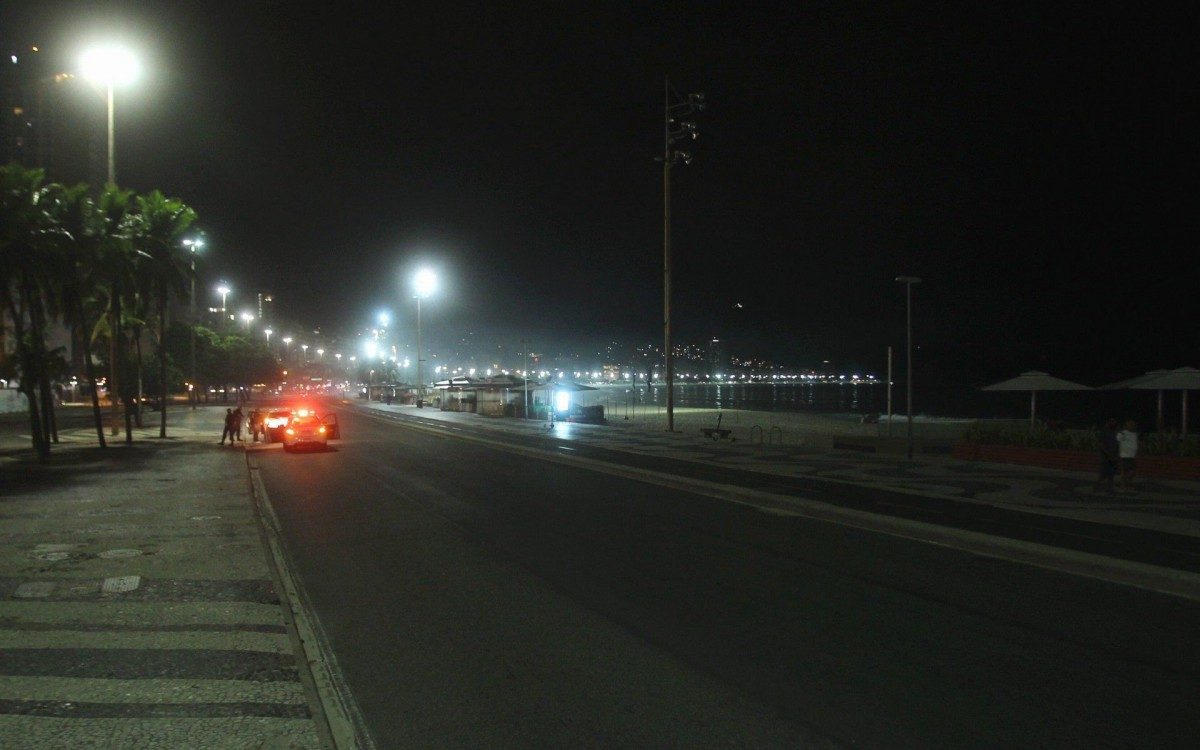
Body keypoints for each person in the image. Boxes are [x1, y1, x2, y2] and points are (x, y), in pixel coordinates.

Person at [1095, 419, 1119, 494]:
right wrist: (1107, 453)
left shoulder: (1114, 433)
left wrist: (1116, 454)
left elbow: (1116, 444)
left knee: (1111, 473)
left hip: (1113, 456)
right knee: (1104, 473)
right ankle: (1098, 486)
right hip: (1105, 456)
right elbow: (1101, 444)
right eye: (1112, 423)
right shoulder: (1104, 432)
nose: (1114, 425)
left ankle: (1110, 488)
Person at [1116, 419, 1139, 492]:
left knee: (1132, 472)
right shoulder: (1123, 433)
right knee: (1125, 471)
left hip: (1132, 456)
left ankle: (1127, 484)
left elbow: (1135, 443)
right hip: (1124, 456)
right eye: (1130, 424)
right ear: (1126, 425)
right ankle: (1123, 485)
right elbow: (1118, 439)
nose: (1132, 426)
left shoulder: (1134, 434)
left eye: (1133, 424)